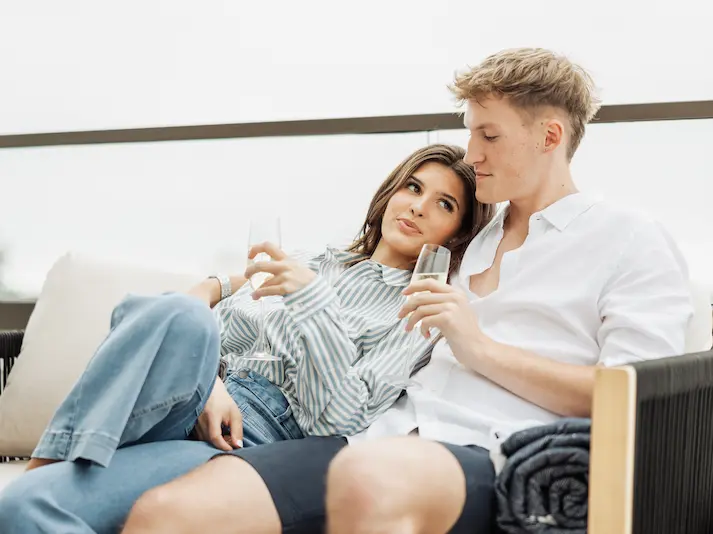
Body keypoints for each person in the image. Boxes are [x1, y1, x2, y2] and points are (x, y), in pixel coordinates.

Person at [110, 47, 695, 534]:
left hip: (487, 450)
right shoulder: (468, 240)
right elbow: (330, 274)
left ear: (550, 135)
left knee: (372, 478)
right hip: (370, 434)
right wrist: (220, 287)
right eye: (471, 133)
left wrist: (478, 348)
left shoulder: (626, 238)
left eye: (489, 135)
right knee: (167, 513)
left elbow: (637, 398)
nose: (472, 154)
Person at [0, 144, 494, 532]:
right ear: (391, 192)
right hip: (189, 394)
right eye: (413, 187)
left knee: (23, 507)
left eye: (443, 203)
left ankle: (46, 468)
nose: (418, 207)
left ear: (456, 234)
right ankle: (51, 459)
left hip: (242, 438)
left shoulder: (416, 311)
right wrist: (211, 380)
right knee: (175, 312)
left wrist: (314, 303)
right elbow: (182, 327)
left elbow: (338, 418)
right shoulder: (310, 260)